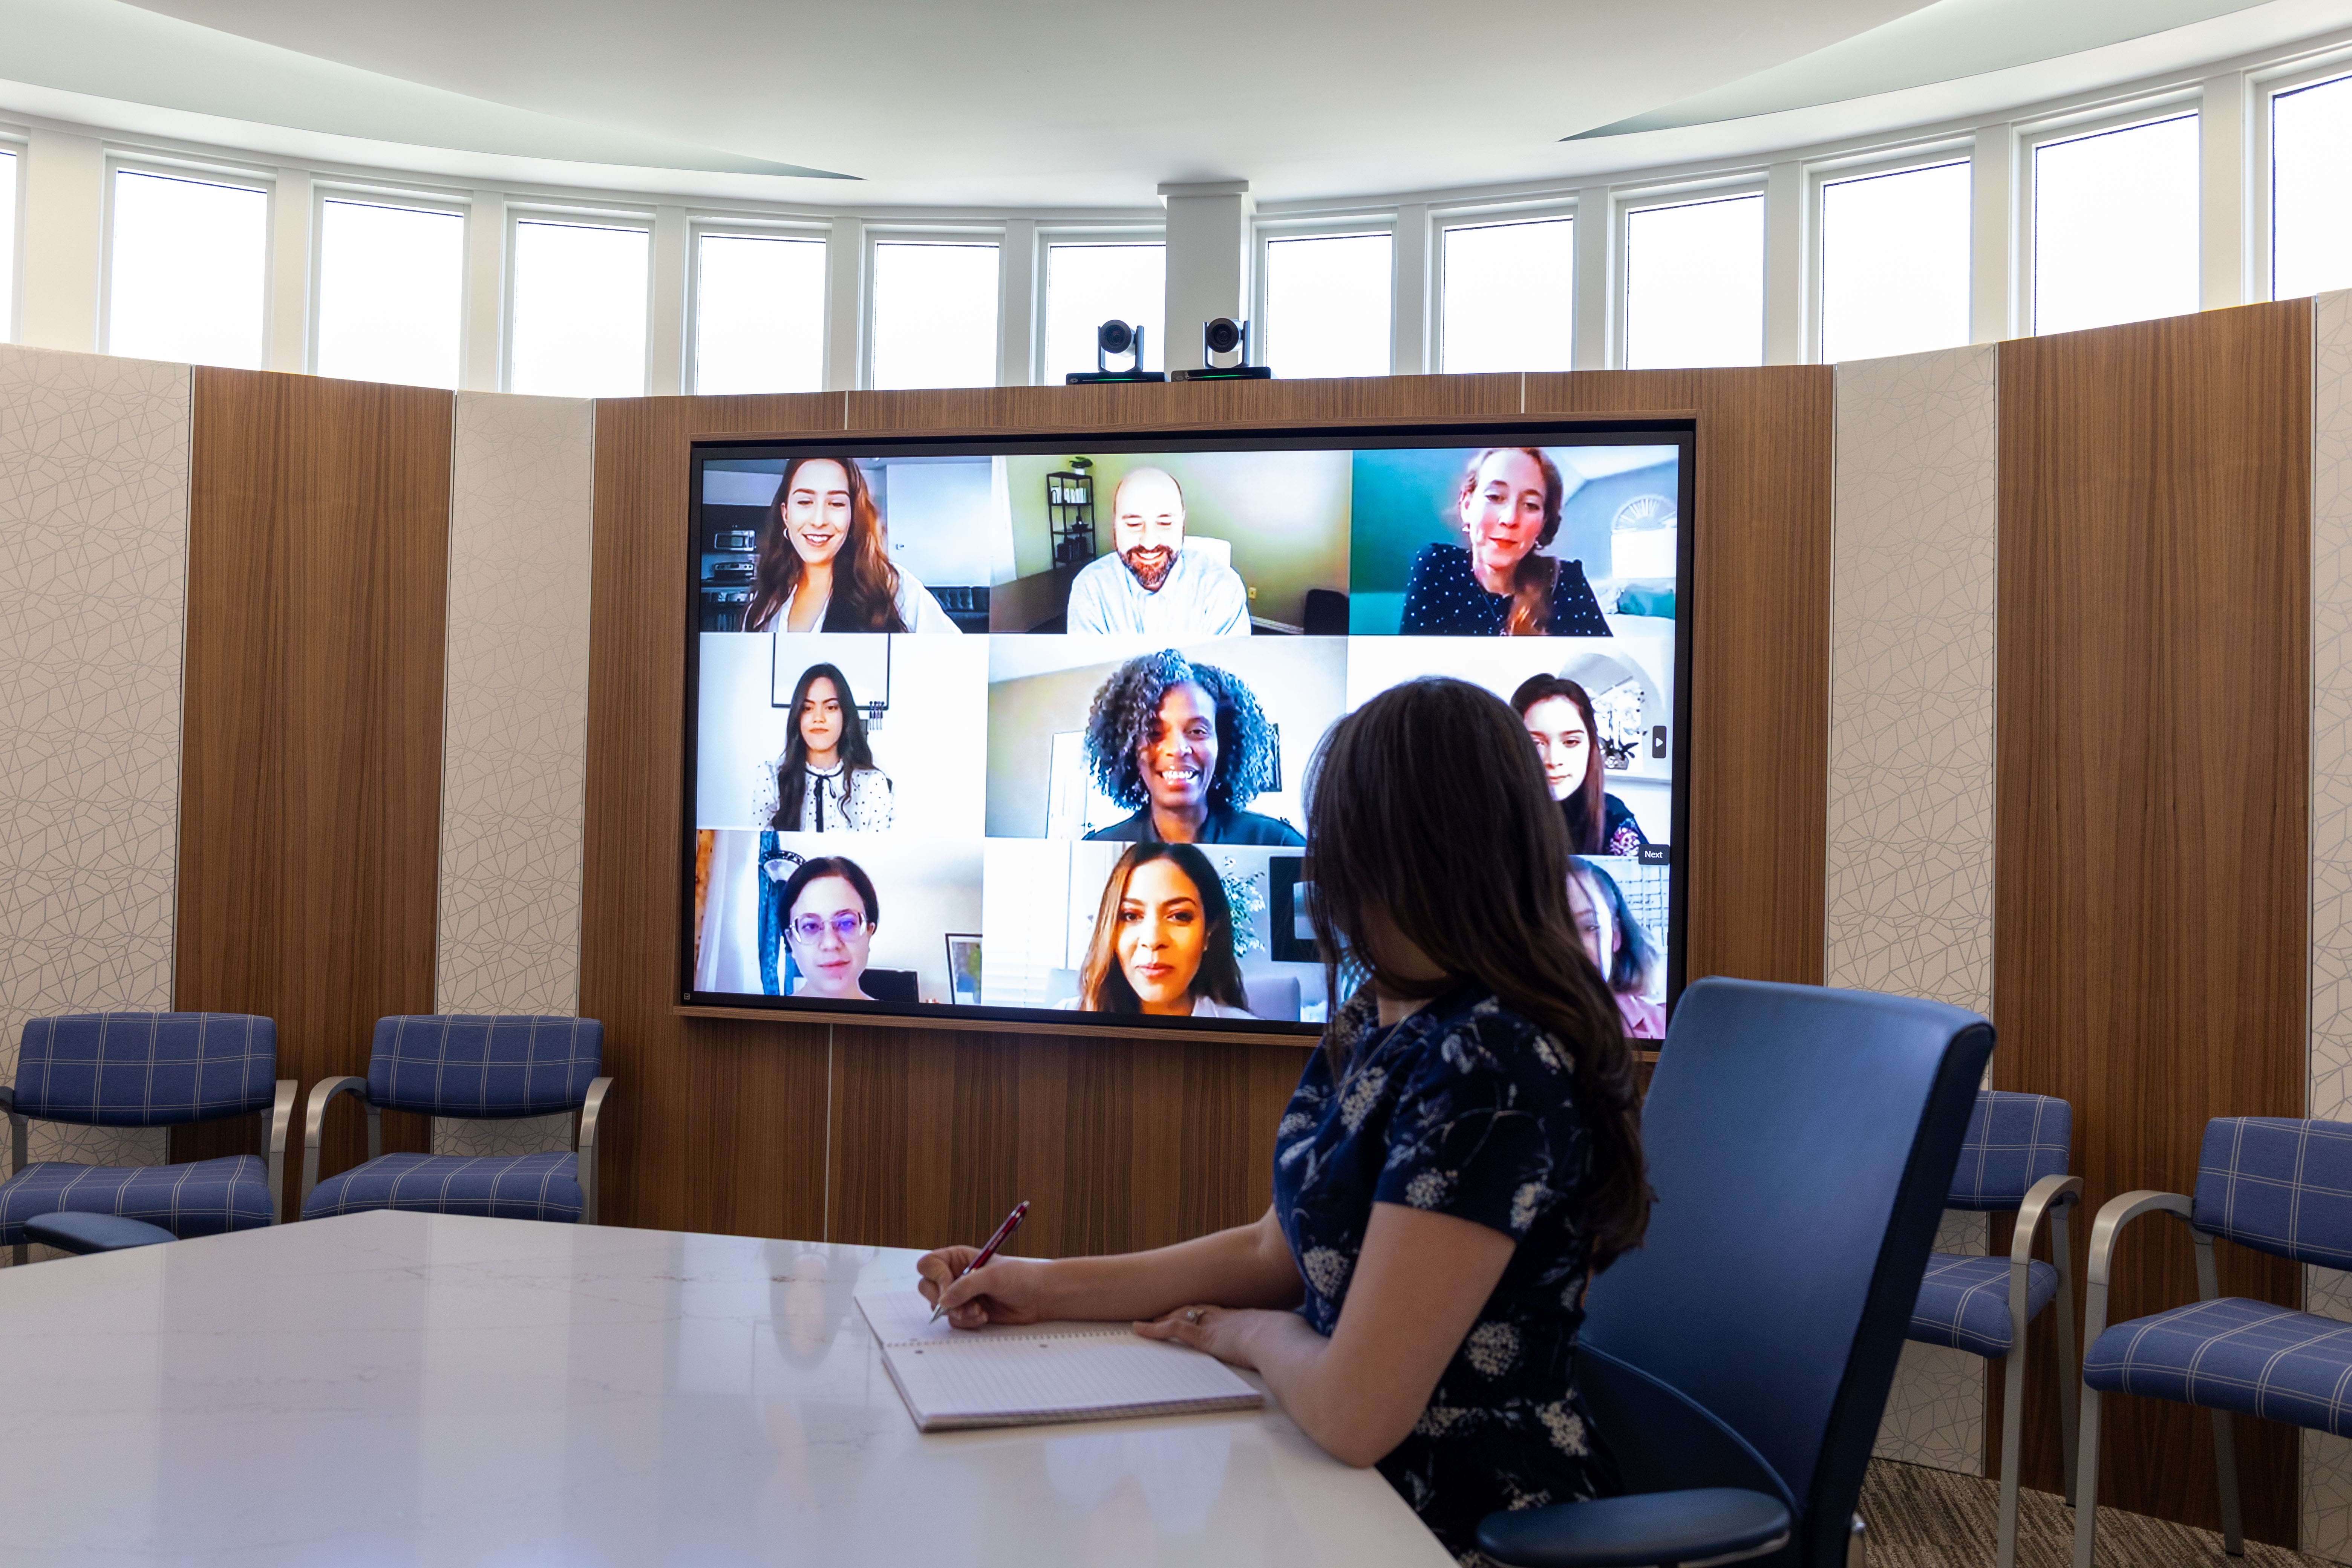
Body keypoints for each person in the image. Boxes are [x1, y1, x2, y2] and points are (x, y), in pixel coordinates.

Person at [918, 678, 1649, 1561]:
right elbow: (1275, 1249)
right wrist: (1038, 1286)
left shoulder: (1489, 1058)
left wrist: (1246, 1334)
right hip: (1338, 1477)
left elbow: (1354, 1413)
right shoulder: (1378, 1012)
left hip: (1462, 1516)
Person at [1080, 649, 1303, 846]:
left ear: (1222, 744)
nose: (1178, 750)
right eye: (1155, 733)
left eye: (1197, 732)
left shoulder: (1278, 844)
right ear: (1129, 750)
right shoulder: (1098, 849)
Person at [1399, 448, 1611, 637]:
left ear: (1543, 523)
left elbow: (1610, 674)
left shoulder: (1565, 581)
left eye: (1530, 505)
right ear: (1467, 505)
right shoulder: (1438, 566)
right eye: (1495, 497)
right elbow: (1417, 671)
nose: (1510, 519)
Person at [740, 456, 960, 634]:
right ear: (786, 514)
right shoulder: (764, 606)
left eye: (836, 504)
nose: (819, 520)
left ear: (852, 515)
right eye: (805, 502)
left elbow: (960, 665)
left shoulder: (894, 588)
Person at [1055, 844, 1256, 1019]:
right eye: (1131, 916)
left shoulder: (1250, 1038)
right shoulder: (1062, 1020)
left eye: (1179, 916)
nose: (1152, 940)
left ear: (1208, 933)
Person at [1064, 466, 1252, 639]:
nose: (1149, 542)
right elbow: (1089, 672)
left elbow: (1226, 673)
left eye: (1165, 523)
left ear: (1182, 522)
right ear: (1115, 525)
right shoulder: (1090, 588)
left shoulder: (1223, 588)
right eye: (1134, 524)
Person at [1511, 674, 1648, 857]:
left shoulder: (1612, 817)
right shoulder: (1491, 816)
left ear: (1591, 746)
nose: (1553, 760)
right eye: (1535, 743)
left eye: (1571, 742)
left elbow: (1650, 880)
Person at [753, 663, 894, 832]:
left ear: (845, 715)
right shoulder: (771, 779)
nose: (818, 718)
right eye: (808, 708)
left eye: (831, 708)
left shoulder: (873, 784)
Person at [1569, 857, 1665, 1041]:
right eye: (1556, 929)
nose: (1574, 945)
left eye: (1590, 927)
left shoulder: (1669, 1027)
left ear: (1616, 934)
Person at [778, 855, 882, 1001]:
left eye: (847, 923)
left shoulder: (900, 1024)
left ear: (869, 932)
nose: (831, 943)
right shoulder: (762, 1023)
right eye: (811, 926)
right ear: (791, 941)